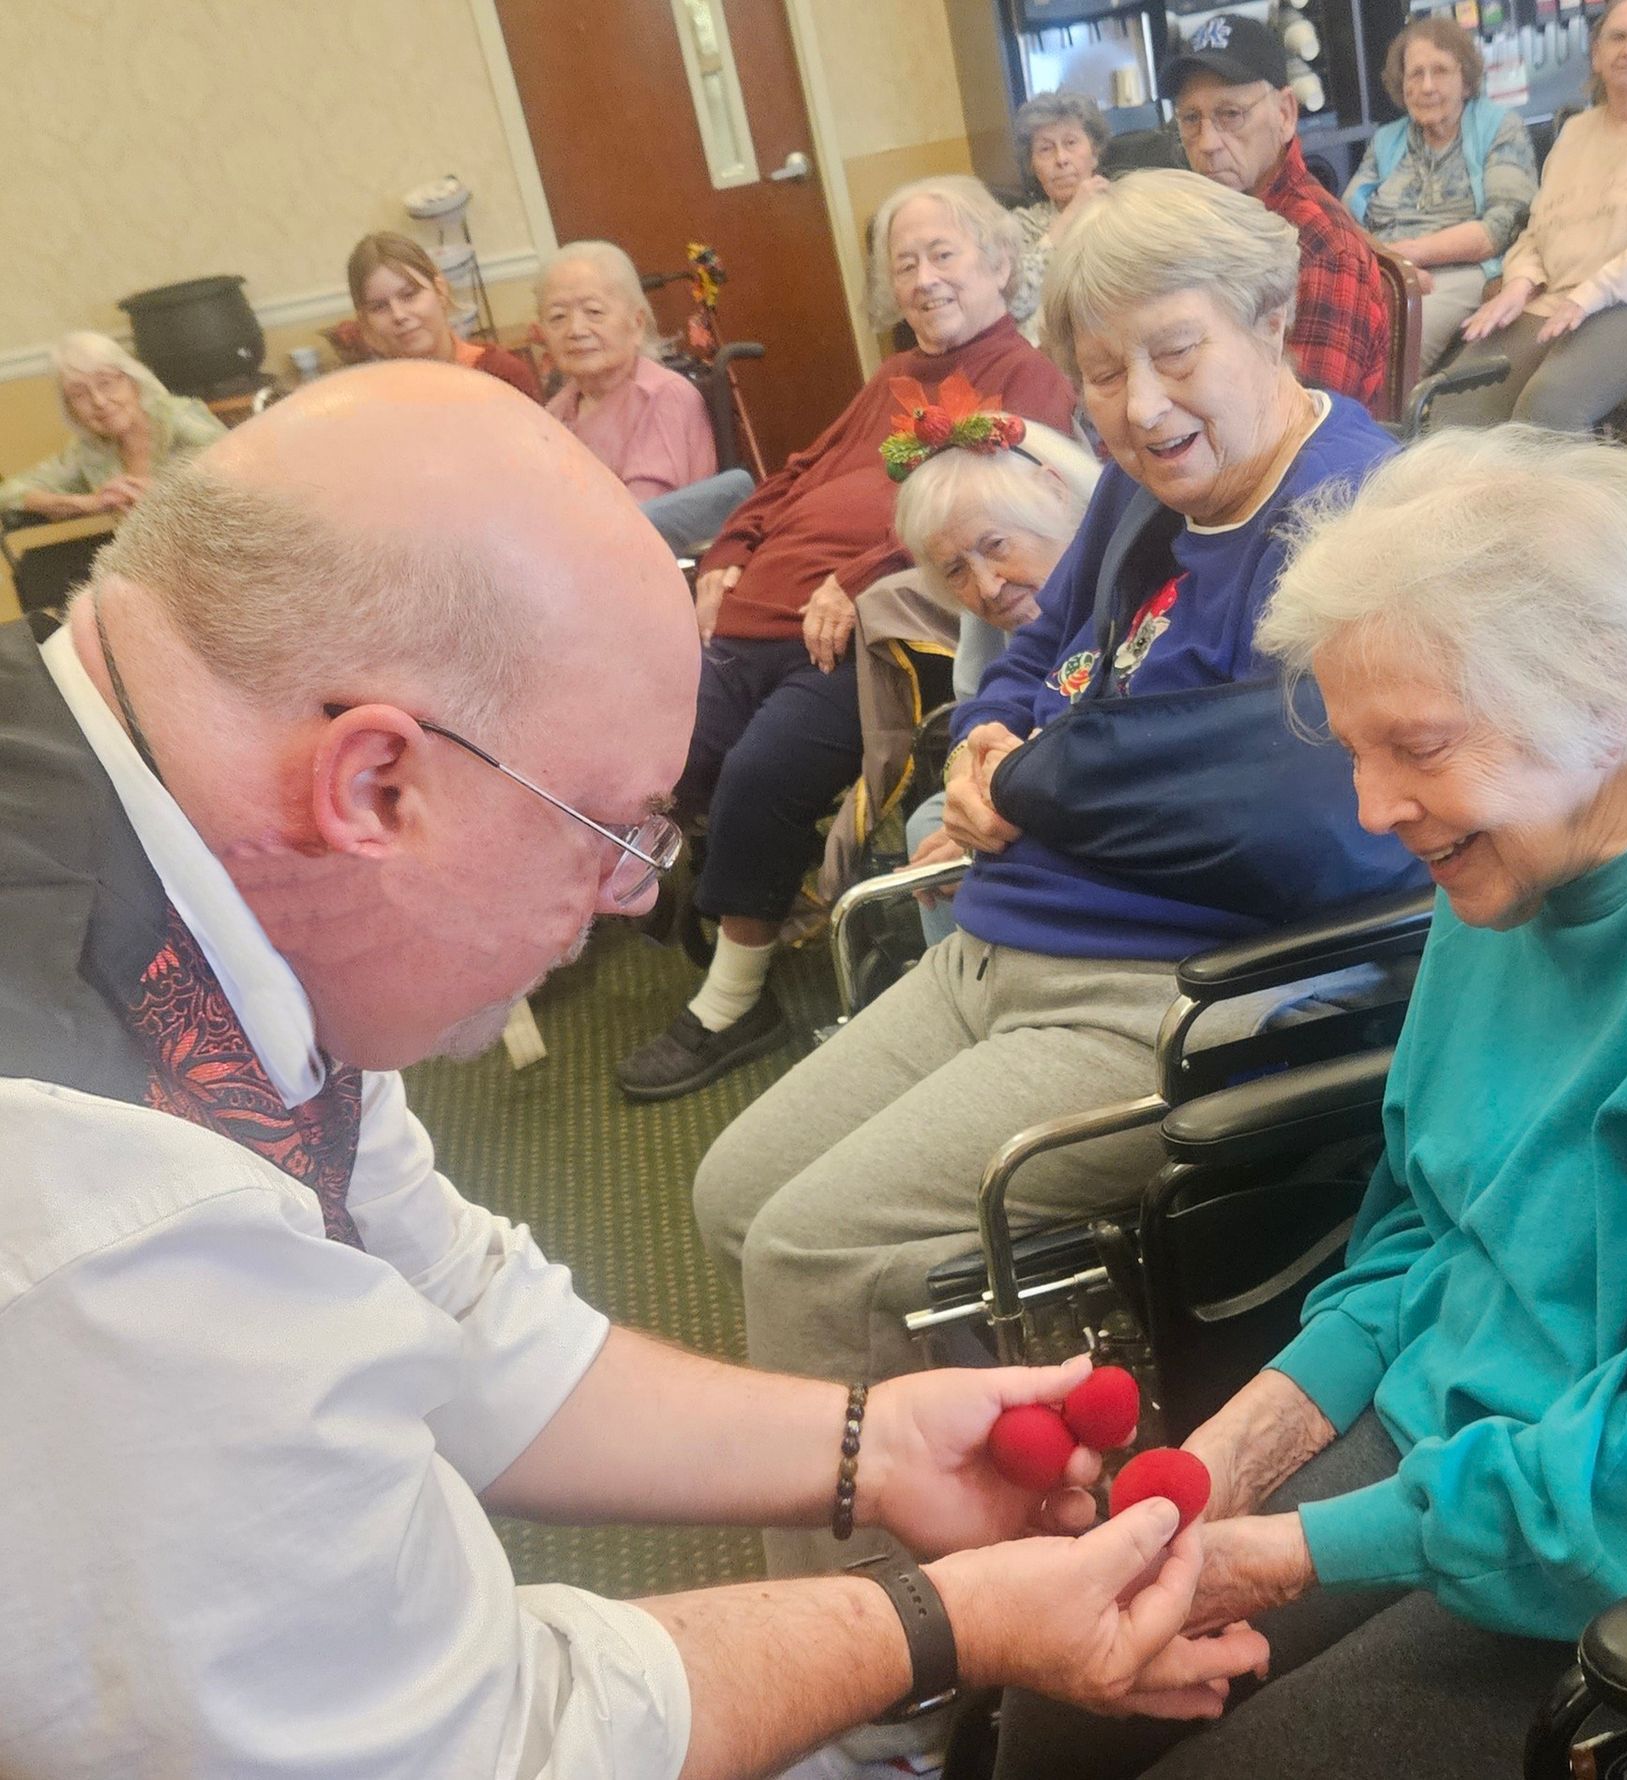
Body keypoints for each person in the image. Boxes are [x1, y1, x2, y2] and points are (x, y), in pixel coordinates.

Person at [0, 360, 1266, 1779]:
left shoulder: (174, 846)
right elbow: (475, 1750)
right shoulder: (102, 1202)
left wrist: (872, 1444)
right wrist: (943, 1623)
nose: (625, 898)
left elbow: (459, 1310)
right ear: (376, 786)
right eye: (607, 828)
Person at [989, 424, 1627, 1780]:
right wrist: (1228, 1457)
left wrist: (1298, 1549)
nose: (1372, 809)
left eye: (1414, 746)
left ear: (1605, 687)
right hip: (1467, 1426)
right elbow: (1426, 1228)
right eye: (1357, 750)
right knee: (1068, 1683)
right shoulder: (1516, 842)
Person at [691, 177, 1426, 1774]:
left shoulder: (1355, 511)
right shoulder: (1145, 499)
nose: (1139, 406)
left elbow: (1289, 801)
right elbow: (1024, 661)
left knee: (817, 1248)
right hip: (1001, 936)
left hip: (1179, 997)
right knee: (733, 1191)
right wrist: (995, 735)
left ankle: (879, 1695)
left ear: (1268, 320)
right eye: (1098, 370)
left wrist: (1029, 777)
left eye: (1173, 353)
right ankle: (946, 1541)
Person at [616, 174, 1077, 1102]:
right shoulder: (894, 377)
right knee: (658, 757)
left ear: (999, 261)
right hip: (754, 616)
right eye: (905, 264)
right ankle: (717, 893)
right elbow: (793, 473)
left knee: (758, 775)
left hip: (864, 638)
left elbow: (996, 520)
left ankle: (737, 1000)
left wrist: (856, 577)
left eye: (943, 253)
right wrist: (728, 556)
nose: (923, 278)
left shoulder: (1024, 378)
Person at [1437, 0, 1627, 430]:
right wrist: (1518, 284)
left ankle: (1558, 499)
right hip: (1562, 301)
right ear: (1597, 55)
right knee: (1456, 400)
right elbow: (1538, 230)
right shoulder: (1576, 131)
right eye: (1617, 37)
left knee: (1548, 406)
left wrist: (1595, 291)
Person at [891, 412, 1103, 945]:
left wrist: (990, 823)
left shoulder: (1114, 582)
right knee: (932, 826)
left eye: (996, 545)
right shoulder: (1017, 612)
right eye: (955, 571)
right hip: (1044, 781)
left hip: (1098, 794)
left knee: (948, 845)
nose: (986, 589)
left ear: (1053, 496)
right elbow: (989, 703)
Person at [1163, 14, 1390, 409]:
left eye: (1230, 114)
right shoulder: (1203, 223)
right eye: (1191, 118)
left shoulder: (1320, 245)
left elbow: (1309, 422)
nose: (1207, 143)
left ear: (1285, 113)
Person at [1343, 16, 1538, 372]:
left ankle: (1386, 428)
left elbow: (1503, 225)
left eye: (1441, 71)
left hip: (1463, 270)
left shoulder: (1499, 127)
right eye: (1415, 74)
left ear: (1466, 80)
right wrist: (1394, 266)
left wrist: (1410, 256)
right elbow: (1345, 222)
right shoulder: (1387, 140)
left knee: (1392, 343)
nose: (1427, 86)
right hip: (1387, 270)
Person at [540, 238, 755, 558]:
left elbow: (642, 520)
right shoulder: (555, 411)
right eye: (558, 316)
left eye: (594, 312)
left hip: (651, 566)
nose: (575, 329)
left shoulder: (662, 397)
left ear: (637, 324)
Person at [0, 331, 223, 519]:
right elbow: (8, 493)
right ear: (71, 410)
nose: (99, 401)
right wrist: (88, 503)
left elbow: (243, 476)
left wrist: (167, 495)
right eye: (79, 394)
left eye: (106, 383)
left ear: (134, 382)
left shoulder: (179, 419)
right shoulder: (91, 450)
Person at [346, 230, 543, 399]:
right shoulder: (373, 401)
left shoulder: (502, 374)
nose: (398, 315)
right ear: (365, 321)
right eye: (379, 307)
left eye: (409, 295)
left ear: (440, 290)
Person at [1006, 92, 1112, 345]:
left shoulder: (1124, 210)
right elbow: (1015, 303)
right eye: (1045, 149)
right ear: (1032, 165)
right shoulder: (1020, 226)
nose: (1061, 159)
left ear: (1094, 152)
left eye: (1071, 143)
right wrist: (1070, 216)